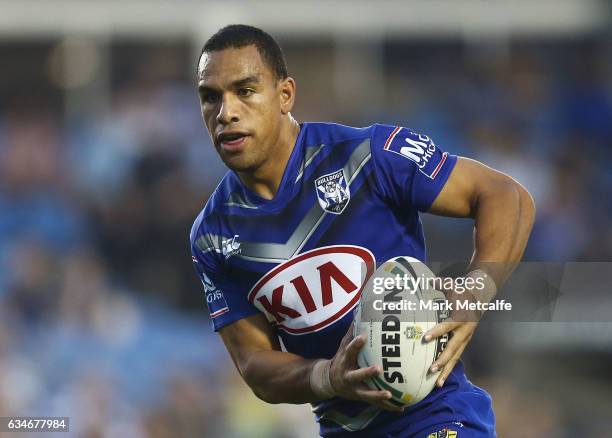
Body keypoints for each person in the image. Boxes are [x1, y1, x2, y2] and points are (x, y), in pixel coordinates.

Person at [189, 24, 535, 437]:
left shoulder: (369, 156)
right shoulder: (212, 235)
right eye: (211, 97)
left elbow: (506, 195)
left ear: (285, 95)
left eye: (245, 91)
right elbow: (255, 364)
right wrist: (328, 377)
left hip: (437, 416)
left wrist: (477, 290)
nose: (225, 112)